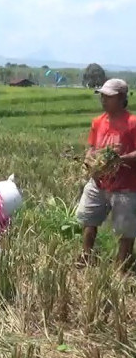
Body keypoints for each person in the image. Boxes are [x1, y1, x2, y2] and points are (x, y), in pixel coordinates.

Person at [77, 78, 136, 271]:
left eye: (107, 96)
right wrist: (90, 163)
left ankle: (122, 269)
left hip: (125, 187)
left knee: (125, 230)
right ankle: (86, 257)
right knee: (88, 219)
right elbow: (93, 148)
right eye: (102, 96)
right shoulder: (98, 122)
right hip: (99, 182)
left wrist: (120, 159)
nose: (103, 100)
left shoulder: (132, 123)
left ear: (120, 98)